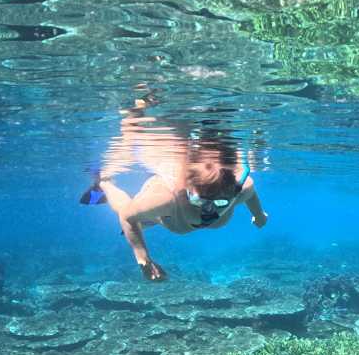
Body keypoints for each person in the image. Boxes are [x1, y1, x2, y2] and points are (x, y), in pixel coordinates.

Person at [80, 88, 268, 281]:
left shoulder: (240, 189)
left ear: (231, 190)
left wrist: (258, 215)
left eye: (219, 202)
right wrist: (143, 258)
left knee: (151, 217)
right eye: (198, 200)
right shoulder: (166, 198)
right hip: (168, 210)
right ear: (187, 190)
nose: (208, 210)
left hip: (173, 216)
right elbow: (126, 216)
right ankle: (105, 184)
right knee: (130, 210)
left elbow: (251, 194)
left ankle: (149, 220)